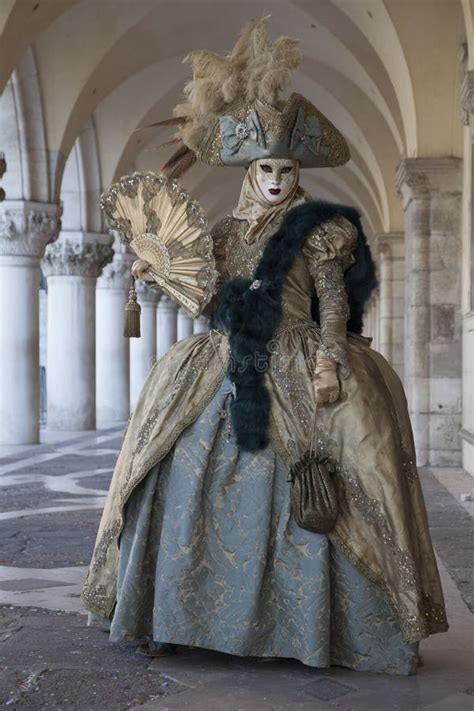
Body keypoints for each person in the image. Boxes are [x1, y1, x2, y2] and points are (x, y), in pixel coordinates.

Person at [81, 19, 448, 675]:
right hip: (224, 359)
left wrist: (331, 358)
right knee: (174, 467)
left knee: (349, 472)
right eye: (264, 168)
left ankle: (333, 627)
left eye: (285, 168)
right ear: (249, 173)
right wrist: (158, 269)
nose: (276, 178)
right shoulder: (221, 232)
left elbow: (333, 299)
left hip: (302, 356)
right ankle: (173, 613)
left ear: (296, 172)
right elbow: (208, 293)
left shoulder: (319, 229)